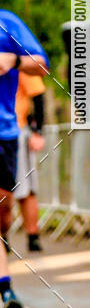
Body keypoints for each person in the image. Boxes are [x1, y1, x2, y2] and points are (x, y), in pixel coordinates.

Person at [0, 9, 49, 308]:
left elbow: (42, 66)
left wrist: (13, 61)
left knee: (3, 214)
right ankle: (6, 293)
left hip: (5, 133)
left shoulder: (8, 22)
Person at [0, 72, 46, 254]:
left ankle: (33, 236)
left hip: (15, 132)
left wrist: (38, 131)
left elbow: (38, 95)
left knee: (24, 188)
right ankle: (3, 237)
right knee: (4, 194)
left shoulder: (16, 57)